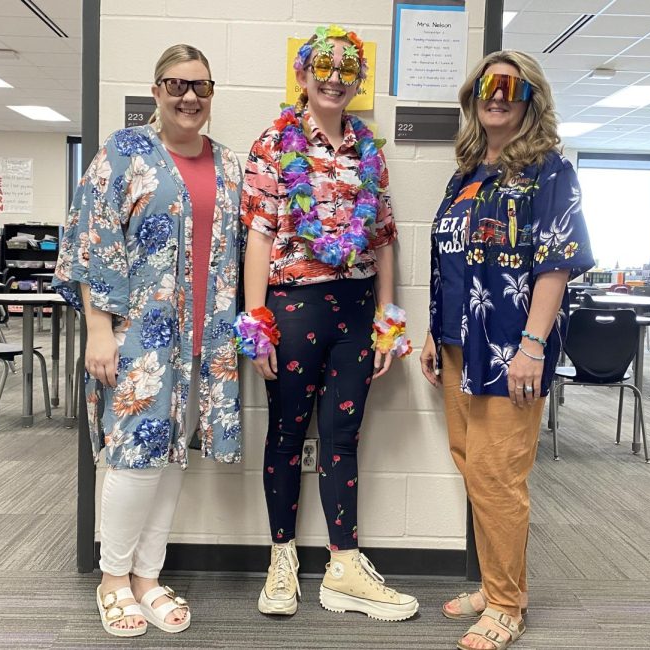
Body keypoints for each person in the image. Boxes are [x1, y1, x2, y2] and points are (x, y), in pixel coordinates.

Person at [52, 44, 243, 638]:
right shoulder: (124, 153)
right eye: (176, 84)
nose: (189, 96)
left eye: (201, 86)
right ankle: (113, 579)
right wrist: (99, 331)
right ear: (156, 90)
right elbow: (91, 242)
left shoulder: (230, 165)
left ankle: (147, 575)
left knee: (170, 462)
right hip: (139, 338)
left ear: (211, 94)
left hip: (203, 343)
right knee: (134, 459)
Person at [239, 24, 418, 622]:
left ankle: (344, 565)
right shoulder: (274, 141)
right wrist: (257, 319)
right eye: (325, 68)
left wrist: (388, 320)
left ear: (358, 82)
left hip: (356, 307)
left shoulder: (370, 150)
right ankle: (282, 559)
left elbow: (386, 238)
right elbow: (259, 237)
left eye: (348, 72)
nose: (335, 81)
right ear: (303, 74)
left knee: (344, 438)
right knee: (288, 434)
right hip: (293, 306)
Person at [419, 51, 593, 650]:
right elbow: (451, 261)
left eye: (509, 87)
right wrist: (431, 333)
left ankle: (507, 603)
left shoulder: (549, 171)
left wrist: (533, 345)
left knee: (499, 475)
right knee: (473, 466)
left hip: (509, 349)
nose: (496, 96)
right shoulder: (465, 172)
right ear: (473, 96)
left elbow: (556, 264)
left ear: (529, 99)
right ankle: (495, 584)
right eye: (485, 87)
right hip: (457, 346)